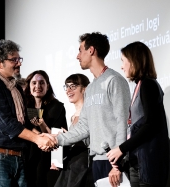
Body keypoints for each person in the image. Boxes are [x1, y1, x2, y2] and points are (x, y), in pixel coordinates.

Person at [52, 32, 131, 184]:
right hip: (96, 161)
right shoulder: (91, 87)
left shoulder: (114, 80)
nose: (77, 56)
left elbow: (123, 122)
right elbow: (83, 127)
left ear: (91, 50)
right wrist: (56, 140)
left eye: (80, 50)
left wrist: (117, 164)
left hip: (114, 162)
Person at [0, 39, 56, 187]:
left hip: (18, 157)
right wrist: (38, 140)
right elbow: (6, 124)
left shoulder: (16, 88)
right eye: (14, 60)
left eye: (19, 59)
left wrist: (42, 135)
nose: (19, 63)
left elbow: (22, 123)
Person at [106, 41, 170, 187]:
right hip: (138, 162)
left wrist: (121, 149)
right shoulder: (140, 85)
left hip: (148, 163)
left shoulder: (148, 85)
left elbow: (151, 124)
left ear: (134, 61)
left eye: (123, 61)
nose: (122, 66)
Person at [23, 70, 68, 187]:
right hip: (26, 157)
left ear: (47, 86)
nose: (38, 86)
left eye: (42, 83)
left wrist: (42, 124)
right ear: (29, 86)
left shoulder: (57, 107)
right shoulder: (24, 107)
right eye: (34, 83)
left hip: (48, 158)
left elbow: (57, 136)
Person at [51, 73, 95, 187]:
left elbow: (90, 139)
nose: (68, 90)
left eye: (73, 86)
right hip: (73, 163)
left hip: (84, 164)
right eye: (67, 86)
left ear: (85, 89)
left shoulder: (91, 112)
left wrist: (69, 137)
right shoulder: (73, 116)